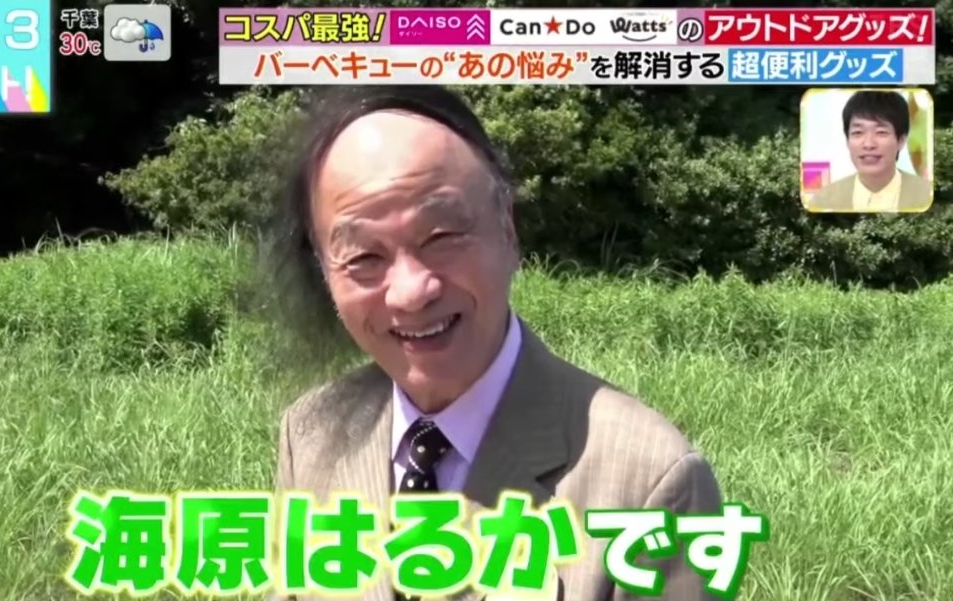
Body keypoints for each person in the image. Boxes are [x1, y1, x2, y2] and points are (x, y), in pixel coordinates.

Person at [264, 86, 722, 601]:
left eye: (441, 237)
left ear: (507, 228)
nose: (411, 292)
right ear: (325, 272)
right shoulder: (312, 434)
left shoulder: (652, 481)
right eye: (364, 258)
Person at [808, 90, 932, 212]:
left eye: (881, 132)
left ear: (901, 141)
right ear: (847, 140)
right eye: (858, 132)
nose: (868, 144)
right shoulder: (823, 202)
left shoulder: (927, 195)